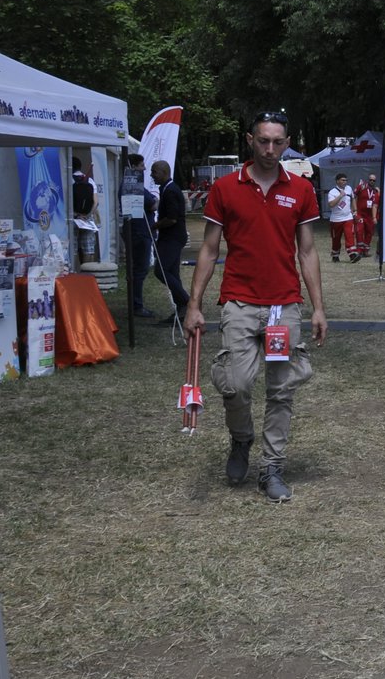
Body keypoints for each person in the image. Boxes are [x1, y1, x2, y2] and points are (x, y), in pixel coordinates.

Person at [183, 112, 326, 503]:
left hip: (284, 306)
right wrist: (194, 305)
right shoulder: (226, 188)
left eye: (278, 142)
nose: (270, 149)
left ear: (288, 141)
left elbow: (308, 251)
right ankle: (241, 439)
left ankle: (272, 467)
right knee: (237, 384)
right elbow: (210, 250)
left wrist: (318, 307)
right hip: (239, 302)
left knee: (282, 390)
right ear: (250, 139)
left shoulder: (300, 189)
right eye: (263, 141)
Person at [150, 160, 190, 320]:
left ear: (164, 172)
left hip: (172, 237)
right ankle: (181, 310)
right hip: (171, 237)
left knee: (161, 271)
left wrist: (155, 226)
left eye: (154, 172)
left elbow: (172, 218)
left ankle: (186, 300)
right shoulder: (167, 189)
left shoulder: (171, 191)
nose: (152, 175)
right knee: (172, 272)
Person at [120, 153, 157, 316]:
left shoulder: (127, 185)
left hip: (135, 229)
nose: (145, 168)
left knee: (137, 269)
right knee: (140, 269)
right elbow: (152, 204)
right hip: (140, 231)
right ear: (133, 167)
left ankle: (135, 303)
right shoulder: (135, 185)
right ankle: (136, 305)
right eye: (142, 165)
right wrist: (155, 201)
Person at [327, 173, 359, 262]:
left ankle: (352, 254)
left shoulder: (349, 188)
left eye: (346, 180)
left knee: (350, 236)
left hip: (348, 217)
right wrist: (340, 196)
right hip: (336, 220)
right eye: (343, 180)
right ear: (337, 181)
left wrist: (355, 210)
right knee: (336, 239)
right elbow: (331, 204)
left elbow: (353, 198)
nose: (345, 182)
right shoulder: (332, 192)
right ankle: (335, 255)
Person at [355, 173, 381, 255]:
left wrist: (379, 192)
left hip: (370, 216)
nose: (372, 181)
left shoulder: (375, 191)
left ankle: (366, 250)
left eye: (374, 180)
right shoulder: (361, 187)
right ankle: (359, 250)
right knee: (359, 231)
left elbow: (377, 204)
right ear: (368, 180)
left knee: (369, 233)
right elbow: (353, 196)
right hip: (360, 214)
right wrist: (354, 210)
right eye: (370, 180)